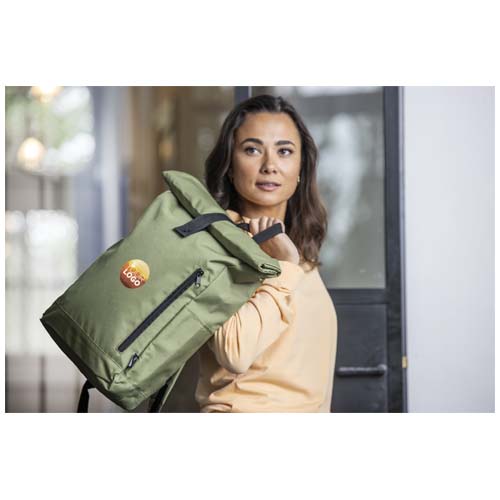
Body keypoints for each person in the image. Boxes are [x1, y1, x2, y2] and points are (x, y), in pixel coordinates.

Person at [194, 94, 338, 412]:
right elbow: (234, 352)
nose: (270, 166)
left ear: (301, 167)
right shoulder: (218, 242)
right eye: (252, 149)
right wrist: (284, 267)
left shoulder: (298, 248)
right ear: (230, 166)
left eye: (284, 151)